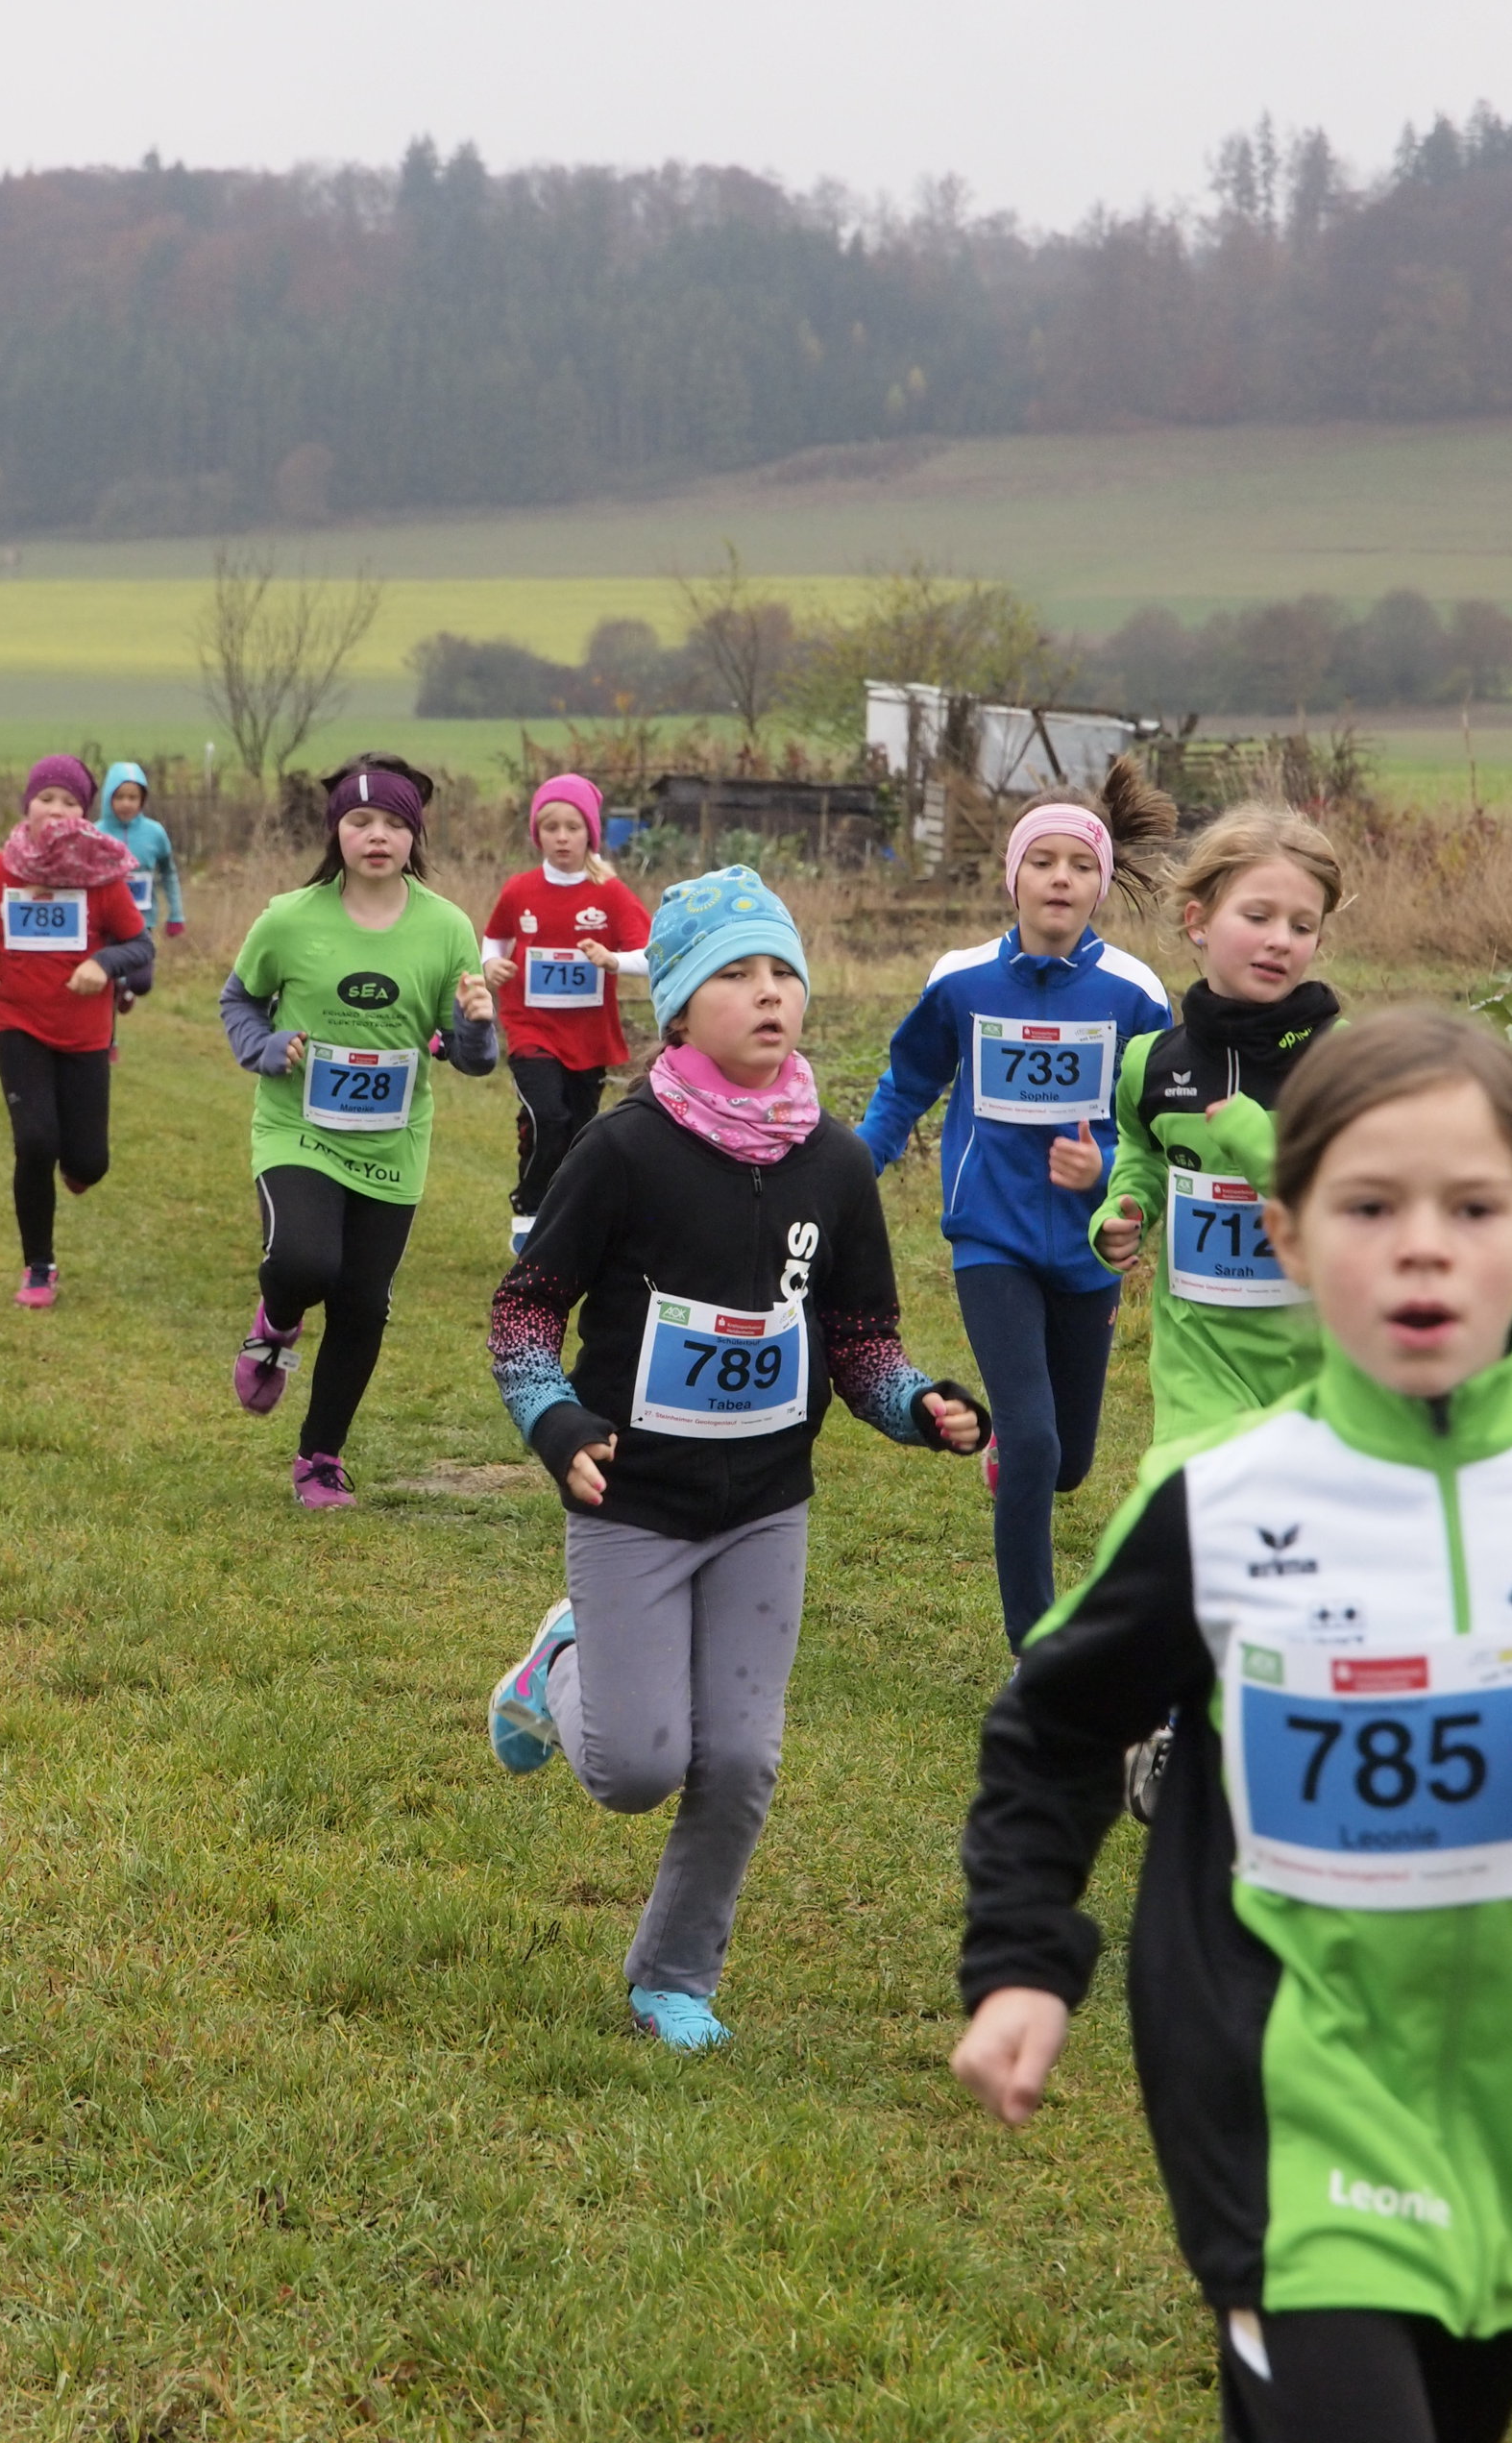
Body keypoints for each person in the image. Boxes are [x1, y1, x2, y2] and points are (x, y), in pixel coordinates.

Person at [952, 1007, 1512, 2443]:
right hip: (1290, 2089)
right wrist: (1024, 1958)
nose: (1423, 1248)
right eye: (1369, 1207)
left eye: (1473, 1208)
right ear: (1285, 1237)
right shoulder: (1224, 1500)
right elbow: (1057, 1727)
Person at [484, 865, 989, 2050]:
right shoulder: (622, 1151)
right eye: (734, 976)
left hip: (765, 1504)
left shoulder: (838, 1164)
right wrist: (554, 1422)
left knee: (743, 1758)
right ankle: (558, 1665)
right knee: (634, 1767)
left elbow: (859, 1340)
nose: (769, 994)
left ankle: (674, 1977)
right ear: (676, 1008)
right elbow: (523, 1312)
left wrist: (916, 1403)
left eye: (782, 973)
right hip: (632, 1497)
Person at [856, 758, 1175, 1653]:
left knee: (1066, 1463)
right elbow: (907, 1085)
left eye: (1079, 865)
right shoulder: (962, 981)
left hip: (1086, 1249)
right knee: (1033, 1442)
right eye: (1043, 861)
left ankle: (1022, 1457)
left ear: (1100, 884)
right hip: (989, 1239)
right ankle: (1036, 1649)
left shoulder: (1137, 994)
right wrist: (850, 1168)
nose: (1060, 878)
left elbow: (1155, 1129)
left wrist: (1105, 1173)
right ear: (1014, 876)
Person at [219, 754, 498, 1508]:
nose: (378, 836)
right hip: (297, 1127)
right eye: (361, 821)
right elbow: (239, 1001)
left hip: (393, 1142)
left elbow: (472, 1057)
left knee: (363, 1303)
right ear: (335, 831)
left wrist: (477, 1024)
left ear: (415, 835)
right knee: (304, 1261)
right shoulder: (288, 918)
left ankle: (320, 1457)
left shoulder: (447, 927)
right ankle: (276, 1324)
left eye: (395, 823)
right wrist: (265, 1047)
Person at [1090, 804, 1346, 1446]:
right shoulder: (1149, 1062)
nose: (1280, 939)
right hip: (1196, 1359)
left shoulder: (1345, 1065)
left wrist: (1259, 1145)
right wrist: (1124, 1210)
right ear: (1198, 922)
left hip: (1319, 1366)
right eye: (1257, 917)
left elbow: (1357, 1202)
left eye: (1302, 926)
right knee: (1197, 1497)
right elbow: (1142, 1153)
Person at [0, 754, 153, 1307]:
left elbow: (140, 945)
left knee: (89, 1163)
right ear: (27, 806)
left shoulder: (101, 878)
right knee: (36, 1142)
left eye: (69, 802)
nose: (56, 811)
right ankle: (39, 1266)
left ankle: (76, 1166)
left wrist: (103, 963)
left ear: (84, 814)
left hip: (85, 1036)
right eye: (46, 799)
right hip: (18, 1023)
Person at [481, 771, 652, 1255]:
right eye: (550, 827)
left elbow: (651, 954)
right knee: (549, 1117)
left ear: (590, 834)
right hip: (530, 1027)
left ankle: (567, 1215)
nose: (561, 837)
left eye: (572, 827)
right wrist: (491, 964)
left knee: (579, 1133)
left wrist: (612, 960)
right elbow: (494, 938)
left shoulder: (611, 894)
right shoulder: (520, 890)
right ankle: (528, 1207)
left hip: (588, 1037)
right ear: (536, 833)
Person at [97, 763, 185, 1008]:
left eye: (133, 797)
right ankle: (111, 1011)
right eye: (120, 797)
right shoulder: (96, 833)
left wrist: (176, 914)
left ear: (142, 800)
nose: (126, 804)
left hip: (141, 920)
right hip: (105, 922)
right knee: (104, 983)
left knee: (142, 982)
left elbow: (169, 873)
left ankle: (125, 988)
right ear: (108, 798)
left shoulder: (155, 833)